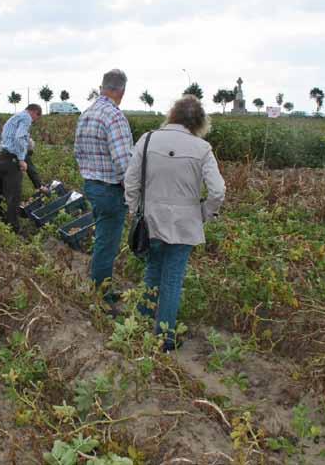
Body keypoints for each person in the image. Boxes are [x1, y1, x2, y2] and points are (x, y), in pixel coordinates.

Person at [124, 95, 225, 351]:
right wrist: (203, 213)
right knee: (172, 280)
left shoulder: (147, 140)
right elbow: (218, 191)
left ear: (172, 114)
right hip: (184, 225)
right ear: (200, 122)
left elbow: (131, 181)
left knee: (152, 272)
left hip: (151, 221)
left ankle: (139, 329)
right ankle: (164, 339)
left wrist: (135, 210)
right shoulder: (202, 149)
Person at [74, 69, 133, 298]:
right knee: (107, 244)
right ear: (122, 91)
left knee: (103, 239)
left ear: (102, 87)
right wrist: (134, 193)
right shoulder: (114, 116)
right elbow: (124, 162)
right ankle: (101, 296)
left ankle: (101, 287)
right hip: (110, 190)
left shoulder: (87, 114)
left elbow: (77, 152)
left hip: (92, 185)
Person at [0, 104, 43, 231]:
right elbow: (19, 137)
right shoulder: (26, 117)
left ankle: (6, 222)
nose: (34, 121)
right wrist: (21, 159)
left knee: (8, 193)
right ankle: (14, 228)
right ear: (34, 112)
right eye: (36, 118)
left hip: (3, 158)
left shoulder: (16, 117)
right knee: (14, 195)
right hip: (11, 159)